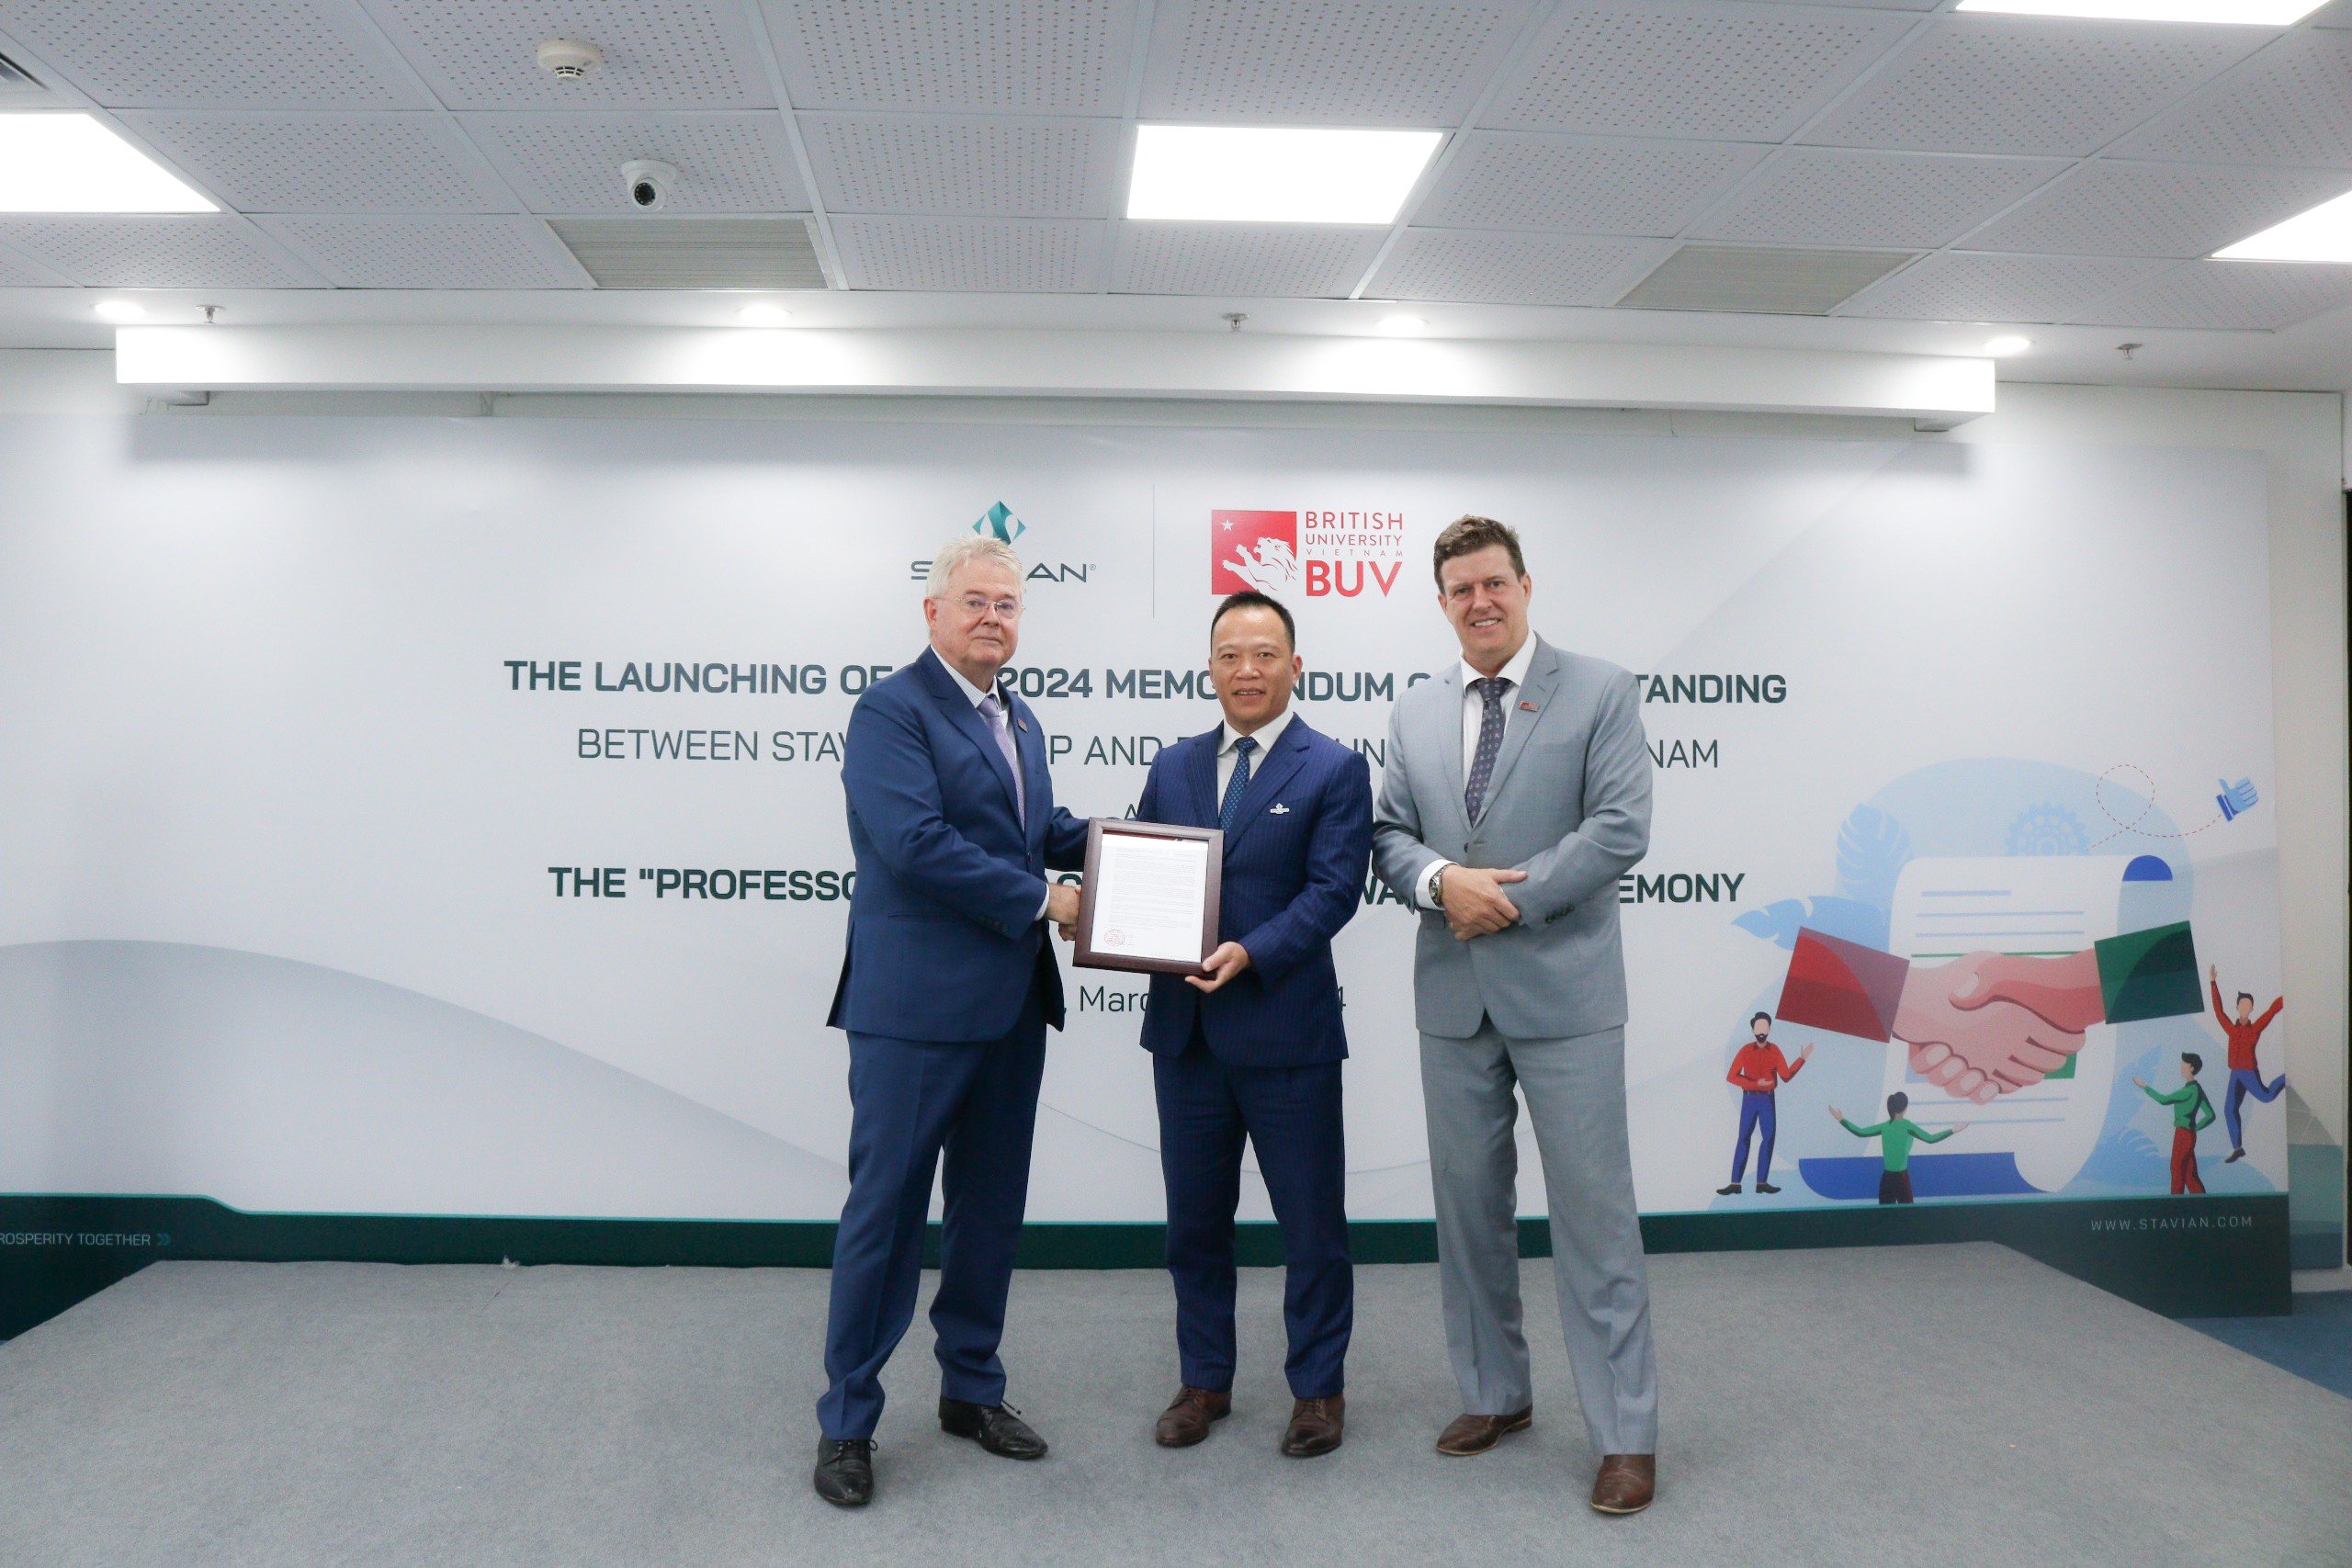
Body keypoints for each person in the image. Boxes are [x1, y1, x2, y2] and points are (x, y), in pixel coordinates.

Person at [1371, 515, 1659, 1516]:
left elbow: (1618, 828)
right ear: (1442, 603)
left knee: (1594, 1218)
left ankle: (1624, 1433)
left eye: (1494, 583)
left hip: (1567, 995)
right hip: (1453, 1000)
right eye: (1461, 589)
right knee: (1468, 1213)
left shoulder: (1601, 690)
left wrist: (1502, 897)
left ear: (1526, 586)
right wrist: (1439, 881)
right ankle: (1495, 1393)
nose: (1480, 601)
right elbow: (1389, 835)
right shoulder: (1414, 710)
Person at [813, 535, 1091, 1509]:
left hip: (1009, 1006)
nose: (992, 619)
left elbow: (1035, 832)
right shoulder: (891, 711)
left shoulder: (1020, 717)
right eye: (975, 601)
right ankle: (848, 1419)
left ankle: (970, 1389)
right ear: (932, 613)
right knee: (886, 1213)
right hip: (915, 1011)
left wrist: (1138, 848)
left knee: (988, 1208)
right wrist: (1047, 899)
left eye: (1007, 606)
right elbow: (916, 843)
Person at [1130, 591, 1372, 1459]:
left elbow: (1334, 890)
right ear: (1210, 668)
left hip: (1287, 1033)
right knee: (1194, 1225)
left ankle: (1318, 1389)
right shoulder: (1173, 765)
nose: (1247, 670)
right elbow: (1143, 871)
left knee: (1312, 1226)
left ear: (1295, 665)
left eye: (1265, 653)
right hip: (1186, 1036)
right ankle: (1205, 1380)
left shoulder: (1333, 767)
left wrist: (1252, 950)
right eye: (1230, 654)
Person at [1719, 1012, 1811, 1196]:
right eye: (1758, 1027)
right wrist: (1755, 1084)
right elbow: (1731, 1076)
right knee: (1743, 1138)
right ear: (1753, 1029)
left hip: (1767, 1100)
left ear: (1769, 1029)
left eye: (1764, 1027)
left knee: (1768, 1139)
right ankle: (1735, 1183)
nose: (1761, 1031)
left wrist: (1801, 1059)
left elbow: (1785, 1076)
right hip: (1750, 1099)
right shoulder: (1745, 1050)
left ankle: (1761, 1182)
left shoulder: (1775, 1050)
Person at [1828, 1093, 1965, 1204]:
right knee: (1907, 1216)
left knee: (1885, 1216)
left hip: (1887, 1179)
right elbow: (1931, 1139)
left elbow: (1860, 1132)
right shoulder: (1908, 1126)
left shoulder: (1885, 1126)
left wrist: (1841, 1120)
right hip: (1902, 1179)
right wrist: (1952, 1130)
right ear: (1905, 1108)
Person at [2209, 964, 2284, 1164]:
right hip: (2235, 1073)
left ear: (2251, 1008)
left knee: (2266, 1096)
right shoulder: (2231, 1028)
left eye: (2247, 1004)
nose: (2244, 1007)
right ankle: (2238, 1148)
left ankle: (2288, 1077)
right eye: (2241, 1004)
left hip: (2248, 1072)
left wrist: (2288, 997)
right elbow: (2218, 1011)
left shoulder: (2255, 1028)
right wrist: (2213, 983)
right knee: (2229, 1109)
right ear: (2237, 1007)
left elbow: (2272, 1011)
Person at [2136, 1054, 2218, 1196]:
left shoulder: (2187, 1091)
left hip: (2182, 1134)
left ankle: (2175, 1203)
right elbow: (2210, 1115)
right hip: (2190, 1134)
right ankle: (2204, 1204)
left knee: (2177, 1170)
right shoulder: (2198, 1089)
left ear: (2192, 1068)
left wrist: (2145, 1087)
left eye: (2184, 1065)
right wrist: (2195, 1128)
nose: (2181, 1067)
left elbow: (2163, 1100)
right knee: (2189, 1174)